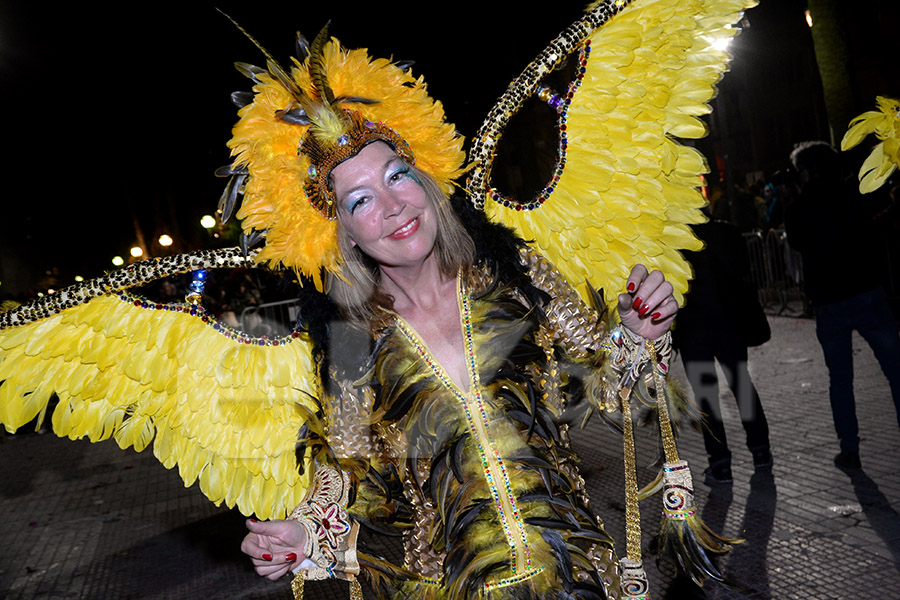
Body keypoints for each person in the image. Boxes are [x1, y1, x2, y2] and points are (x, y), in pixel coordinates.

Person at [784, 141, 900, 470]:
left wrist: (797, 194)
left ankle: (849, 449)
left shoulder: (799, 207)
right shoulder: (853, 191)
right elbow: (878, 200)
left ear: (805, 172)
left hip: (829, 302)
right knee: (895, 371)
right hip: (867, 291)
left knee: (840, 380)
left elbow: (797, 240)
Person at [673, 218, 773, 484]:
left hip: (694, 328)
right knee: (742, 384)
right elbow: (744, 270)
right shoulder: (727, 232)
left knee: (707, 396)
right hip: (730, 322)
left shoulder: (674, 240)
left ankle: (720, 462)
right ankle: (760, 449)